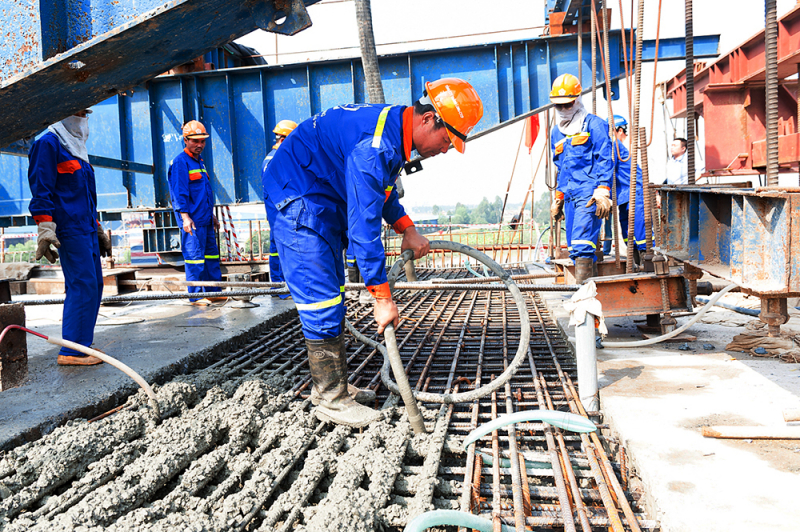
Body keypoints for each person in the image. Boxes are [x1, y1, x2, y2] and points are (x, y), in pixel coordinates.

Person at [262, 78, 483, 427]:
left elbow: (381, 191)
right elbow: (363, 228)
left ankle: (331, 389)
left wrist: (407, 228)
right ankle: (331, 399)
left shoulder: (391, 133)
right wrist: (381, 297)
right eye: (445, 140)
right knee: (320, 300)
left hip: (321, 196)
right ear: (429, 120)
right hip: (298, 198)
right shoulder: (375, 146)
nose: (444, 150)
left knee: (332, 294)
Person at [28, 110, 112, 366]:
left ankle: (81, 343)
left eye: (85, 112)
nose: (82, 117)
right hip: (69, 230)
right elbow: (41, 187)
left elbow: (84, 195)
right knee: (81, 284)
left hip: (85, 227)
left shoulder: (77, 148)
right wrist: (45, 226)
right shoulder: (49, 142)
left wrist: (96, 226)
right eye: (76, 111)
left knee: (94, 284)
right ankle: (71, 352)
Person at [548, 73, 613, 283]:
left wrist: (603, 190)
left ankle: (583, 299)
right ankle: (589, 293)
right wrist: (558, 198)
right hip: (569, 196)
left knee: (582, 242)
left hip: (588, 193)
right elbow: (561, 169)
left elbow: (604, 157)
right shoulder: (556, 134)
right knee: (575, 247)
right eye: (559, 106)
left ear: (577, 100)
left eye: (567, 105)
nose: (564, 110)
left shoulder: (594, 125)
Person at [167, 120, 224, 304]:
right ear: (185, 139)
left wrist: (212, 216)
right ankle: (196, 295)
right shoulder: (180, 162)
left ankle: (213, 291)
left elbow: (204, 192)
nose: (200, 145)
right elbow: (179, 192)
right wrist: (184, 217)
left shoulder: (199, 162)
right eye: (195, 141)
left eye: (202, 141)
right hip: (192, 221)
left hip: (205, 220)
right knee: (195, 258)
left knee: (211, 257)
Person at [262, 119, 297, 299]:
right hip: (279, 212)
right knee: (280, 248)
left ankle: (281, 286)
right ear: (284, 139)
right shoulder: (273, 159)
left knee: (281, 247)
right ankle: (278, 287)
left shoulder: (281, 158)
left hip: (281, 211)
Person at [609, 115, 647, 260]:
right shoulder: (614, 145)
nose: (625, 135)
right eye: (624, 131)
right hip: (625, 193)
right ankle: (638, 260)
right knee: (628, 228)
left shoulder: (614, 146)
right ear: (619, 130)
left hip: (634, 191)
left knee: (638, 226)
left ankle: (645, 259)